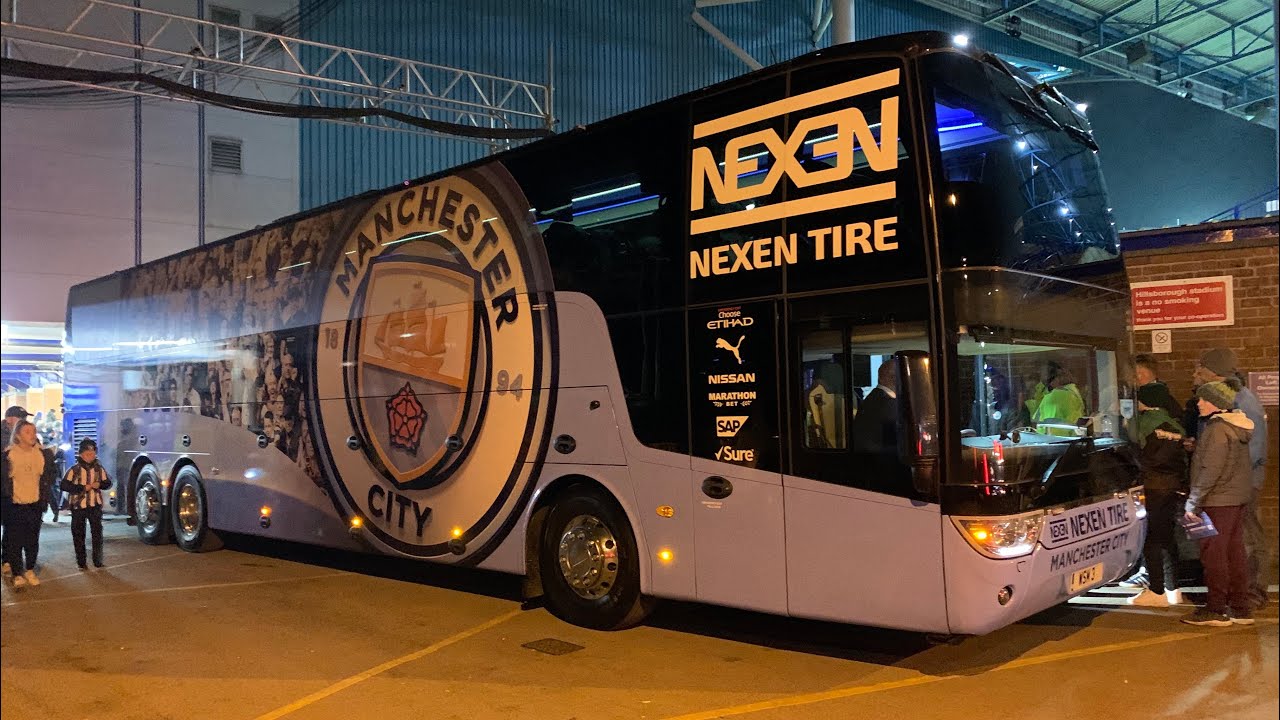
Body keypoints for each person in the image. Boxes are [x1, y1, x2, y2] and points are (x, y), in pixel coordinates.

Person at [1194, 348, 1270, 610]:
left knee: (1243, 540)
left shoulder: (1240, 401)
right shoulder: (1236, 397)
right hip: (1237, 483)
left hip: (1234, 486)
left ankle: (1250, 592)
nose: (1196, 373)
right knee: (1237, 542)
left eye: (1200, 368)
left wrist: (1222, 480)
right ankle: (1241, 595)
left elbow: (1250, 450)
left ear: (1213, 371)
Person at [1181, 380, 1256, 626]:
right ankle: (1240, 607)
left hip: (1216, 501)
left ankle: (1216, 608)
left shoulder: (1216, 430)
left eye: (1203, 399)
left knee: (1213, 555)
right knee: (1234, 553)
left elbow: (1210, 470)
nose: (1198, 403)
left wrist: (1193, 503)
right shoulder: (1236, 426)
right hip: (1235, 499)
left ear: (1216, 402)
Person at [1127, 383, 1188, 607]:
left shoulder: (1141, 424)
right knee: (1168, 538)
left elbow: (1132, 452)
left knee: (1151, 539)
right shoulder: (1174, 424)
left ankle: (1156, 590)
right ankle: (1174, 589)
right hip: (1171, 486)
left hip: (1151, 486)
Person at [2, 419, 58, 588]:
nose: (32, 435)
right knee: (14, 540)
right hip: (14, 504)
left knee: (32, 539)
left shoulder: (42, 455)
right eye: (27, 432)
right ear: (17, 435)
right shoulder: (8, 455)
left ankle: (30, 569)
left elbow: (49, 476)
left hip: (35, 504)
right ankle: (17, 573)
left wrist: (45, 498)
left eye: (33, 431)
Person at [62, 438, 113, 570]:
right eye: (87, 454)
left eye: (92, 454)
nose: (90, 456)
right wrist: (82, 488)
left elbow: (108, 483)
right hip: (78, 506)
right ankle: (81, 561)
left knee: (97, 532)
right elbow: (64, 485)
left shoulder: (99, 469)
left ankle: (97, 560)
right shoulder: (74, 470)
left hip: (94, 505)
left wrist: (99, 484)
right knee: (79, 534)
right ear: (81, 454)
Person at [1, 406, 31, 578]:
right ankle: (7, 559)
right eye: (21, 417)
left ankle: (15, 559)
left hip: (23, 489)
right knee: (9, 526)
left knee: (19, 527)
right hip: (5, 489)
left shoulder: (27, 435)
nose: (24, 421)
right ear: (10, 419)